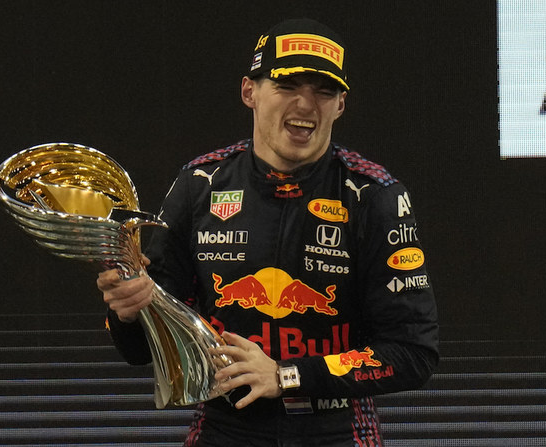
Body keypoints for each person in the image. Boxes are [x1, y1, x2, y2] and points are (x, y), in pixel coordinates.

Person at [97, 18, 439, 447]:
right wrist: (128, 312)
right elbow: (142, 350)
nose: (306, 104)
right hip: (225, 426)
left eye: (323, 91)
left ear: (340, 106)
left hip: (336, 431)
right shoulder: (200, 183)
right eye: (287, 86)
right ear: (249, 92)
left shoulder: (374, 195)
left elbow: (412, 354)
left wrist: (285, 376)